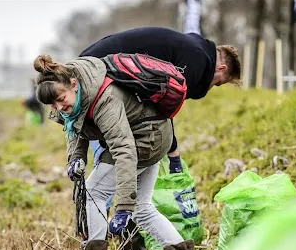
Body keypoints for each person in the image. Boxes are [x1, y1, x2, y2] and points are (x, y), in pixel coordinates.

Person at [33, 54, 197, 250]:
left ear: (74, 84)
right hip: (156, 135)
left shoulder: (104, 99)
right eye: (53, 105)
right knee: (143, 208)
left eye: (61, 99)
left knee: (94, 192)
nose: (59, 108)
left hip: (145, 139)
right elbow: (75, 126)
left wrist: (123, 208)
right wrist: (76, 158)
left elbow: (124, 149)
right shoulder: (79, 95)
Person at [78, 26, 241, 174]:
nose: (212, 86)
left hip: (93, 64)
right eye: (218, 82)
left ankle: (106, 198)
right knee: (110, 156)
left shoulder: (193, 49)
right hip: (96, 70)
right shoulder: (197, 58)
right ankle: (101, 202)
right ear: (221, 68)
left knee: (117, 144)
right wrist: (173, 152)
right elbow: (163, 106)